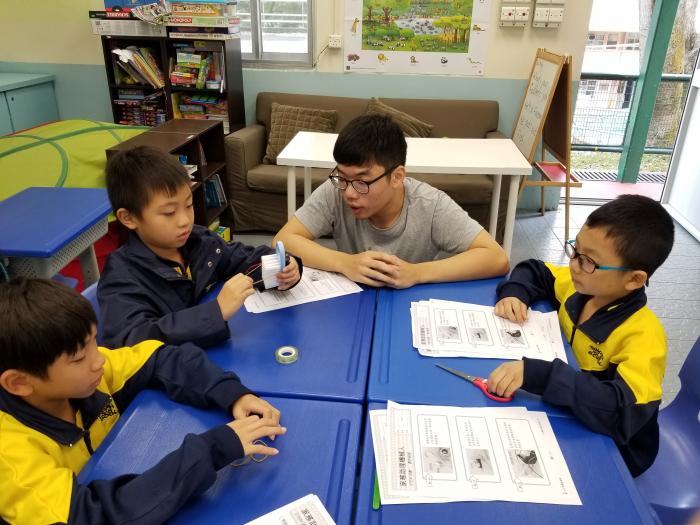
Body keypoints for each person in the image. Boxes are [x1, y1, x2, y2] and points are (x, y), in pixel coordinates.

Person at [0, 278, 286, 524]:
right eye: (78, 358)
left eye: (94, 342)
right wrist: (213, 449)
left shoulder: (88, 375)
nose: (99, 359)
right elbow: (93, 517)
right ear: (19, 382)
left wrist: (232, 394)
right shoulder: (10, 455)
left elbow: (160, 357)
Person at [486, 195, 675, 477]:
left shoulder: (643, 337)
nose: (574, 265)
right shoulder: (583, 287)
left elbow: (621, 413)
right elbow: (536, 270)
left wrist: (543, 376)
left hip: (615, 449)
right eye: (575, 249)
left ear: (634, 279)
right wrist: (517, 293)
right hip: (568, 414)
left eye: (588, 261)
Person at [98, 146, 302, 348]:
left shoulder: (198, 241)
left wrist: (284, 265)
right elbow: (130, 341)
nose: (184, 220)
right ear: (128, 217)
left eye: (188, 205)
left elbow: (240, 257)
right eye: (169, 213)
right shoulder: (121, 277)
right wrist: (215, 312)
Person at [274, 114, 509, 289]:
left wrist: (416, 273)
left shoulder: (431, 204)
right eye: (342, 177)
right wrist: (345, 263)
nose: (349, 193)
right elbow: (283, 239)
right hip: (353, 303)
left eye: (362, 181)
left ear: (397, 176)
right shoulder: (337, 190)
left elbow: (496, 258)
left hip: (410, 304)